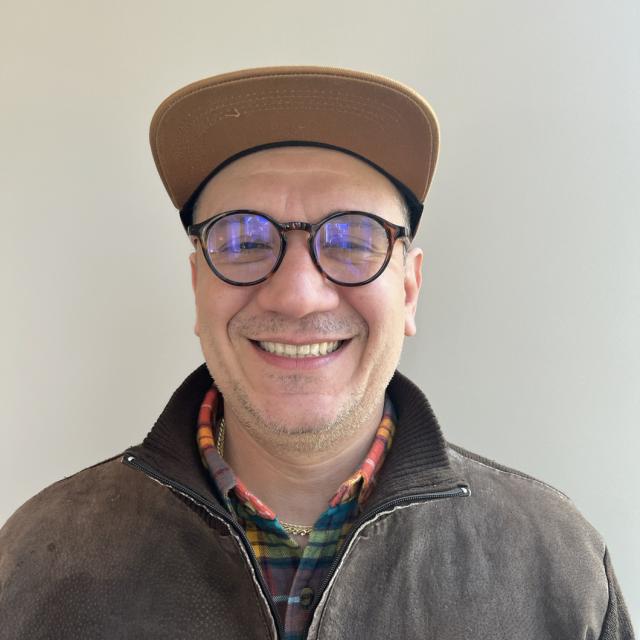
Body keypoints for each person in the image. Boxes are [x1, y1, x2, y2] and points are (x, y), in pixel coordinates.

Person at [0, 66, 634, 639]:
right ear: (198, 287)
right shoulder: (36, 565)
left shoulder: (558, 569)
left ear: (408, 290)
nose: (299, 296)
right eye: (244, 238)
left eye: (353, 238)